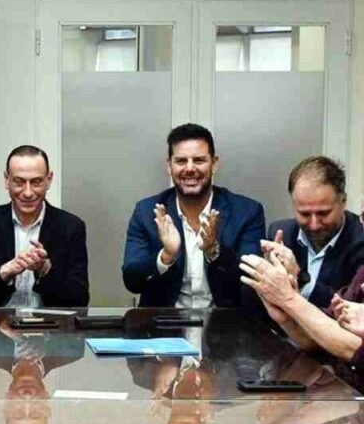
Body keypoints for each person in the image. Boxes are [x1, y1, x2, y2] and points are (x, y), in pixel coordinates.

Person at [123, 123, 265, 307]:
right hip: (163, 326)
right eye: (181, 161)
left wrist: (214, 251)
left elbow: (251, 282)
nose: (190, 169)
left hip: (226, 327)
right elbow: (132, 281)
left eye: (199, 160)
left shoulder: (247, 212)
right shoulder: (147, 212)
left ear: (214, 164)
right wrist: (166, 256)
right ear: (169, 165)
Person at [0, 144, 89, 307]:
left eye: (36, 182)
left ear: (48, 180)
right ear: (7, 180)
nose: (28, 192)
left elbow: (80, 300)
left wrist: (44, 271)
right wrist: (5, 273)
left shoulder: (71, 227)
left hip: (52, 329)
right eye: (19, 182)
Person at [261, 156, 364, 309]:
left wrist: (300, 279)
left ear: (343, 202)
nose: (314, 224)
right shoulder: (281, 232)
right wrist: (265, 276)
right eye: (304, 214)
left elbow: (346, 310)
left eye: (323, 213)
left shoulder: (360, 239)